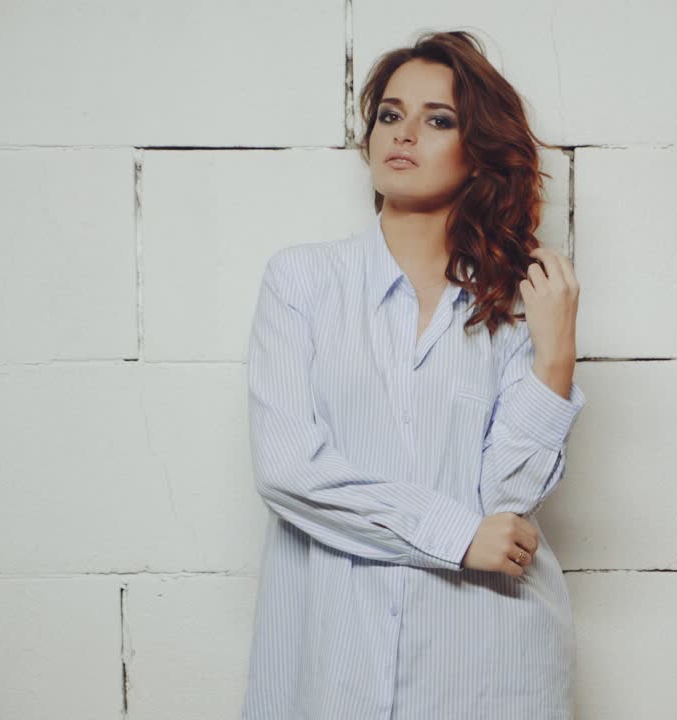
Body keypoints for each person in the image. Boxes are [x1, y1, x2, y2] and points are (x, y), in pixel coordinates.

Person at [240, 30, 587, 719]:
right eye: (390, 114)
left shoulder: (517, 306)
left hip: (486, 661)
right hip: (336, 659)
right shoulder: (302, 282)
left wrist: (555, 358)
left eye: (439, 120)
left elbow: (507, 501)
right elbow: (287, 469)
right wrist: (456, 535)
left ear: (478, 151)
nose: (403, 134)